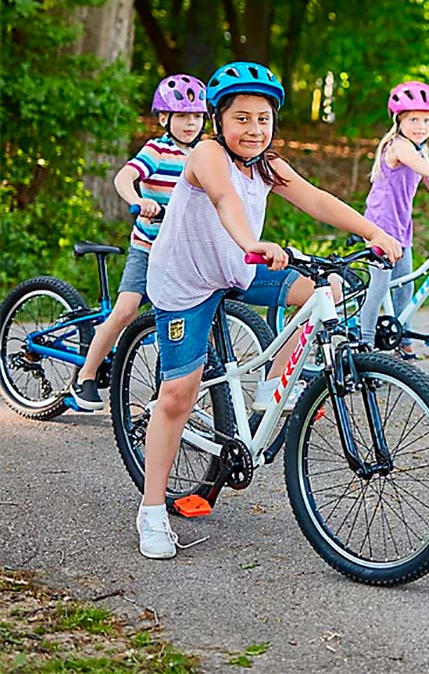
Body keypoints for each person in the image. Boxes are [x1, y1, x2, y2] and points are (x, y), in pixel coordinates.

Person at [137, 61, 403, 560]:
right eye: (242, 118)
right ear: (219, 120)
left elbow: (317, 199)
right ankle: (152, 510)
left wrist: (374, 232)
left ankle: (273, 387)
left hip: (238, 267)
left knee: (327, 288)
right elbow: (223, 200)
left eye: (263, 118)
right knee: (177, 394)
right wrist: (252, 241)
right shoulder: (208, 155)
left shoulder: (268, 163)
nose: (254, 129)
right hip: (187, 279)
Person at [68, 75, 208, 411]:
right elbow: (124, 176)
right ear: (165, 119)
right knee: (126, 310)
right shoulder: (157, 150)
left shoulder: (204, 154)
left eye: (197, 116)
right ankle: (85, 376)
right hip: (149, 247)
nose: (191, 123)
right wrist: (138, 200)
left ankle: (172, 391)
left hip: (182, 254)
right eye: (183, 116)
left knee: (176, 318)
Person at [360, 81, 429, 357]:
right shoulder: (398, 146)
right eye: (414, 119)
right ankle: (364, 345)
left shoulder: (422, 151)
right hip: (379, 225)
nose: (420, 126)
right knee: (380, 285)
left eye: (426, 120)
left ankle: (403, 339)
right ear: (399, 121)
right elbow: (420, 166)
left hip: (401, 226)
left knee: (405, 284)